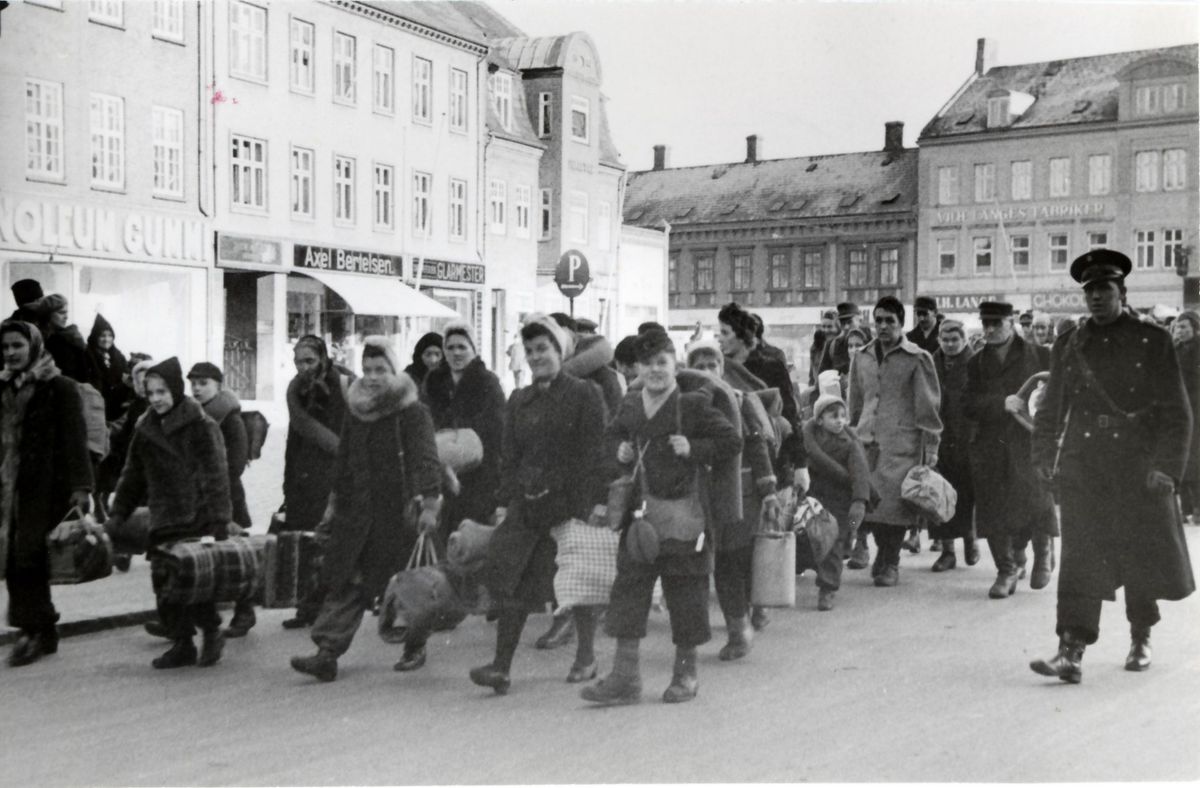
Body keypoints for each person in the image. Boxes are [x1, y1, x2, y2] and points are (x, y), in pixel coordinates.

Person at [1030, 250, 1194, 683]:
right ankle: (1072, 649)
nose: (1097, 298)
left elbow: (1178, 412)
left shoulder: (1152, 340)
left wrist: (1167, 467)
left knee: (1139, 552)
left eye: (1105, 289)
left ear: (1122, 292)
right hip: (1084, 463)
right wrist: (1043, 456)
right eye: (1090, 291)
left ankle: (1140, 635)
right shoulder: (1070, 344)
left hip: (1138, 463)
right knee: (1081, 556)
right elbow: (1051, 408)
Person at [583, 329, 740, 705]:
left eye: (662, 363)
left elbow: (731, 442)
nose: (655, 370)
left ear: (675, 365)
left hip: (685, 517)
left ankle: (686, 675)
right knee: (629, 593)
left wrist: (695, 448)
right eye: (647, 364)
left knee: (686, 595)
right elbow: (606, 444)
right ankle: (625, 678)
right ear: (637, 368)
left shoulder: (694, 406)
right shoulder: (630, 406)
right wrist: (617, 452)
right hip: (640, 520)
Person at [290, 337, 442, 682]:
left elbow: (426, 460)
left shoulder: (412, 411)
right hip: (359, 511)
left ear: (394, 369)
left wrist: (429, 503)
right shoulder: (356, 409)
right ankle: (327, 653)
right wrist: (334, 503)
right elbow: (344, 460)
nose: (372, 377)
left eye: (381, 370)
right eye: (367, 369)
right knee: (348, 582)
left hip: (400, 512)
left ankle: (414, 646)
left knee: (408, 586)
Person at [470, 315, 608, 694]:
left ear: (559, 350)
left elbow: (595, 453)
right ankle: (501, 667)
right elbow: (509, 456)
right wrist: (508, 498)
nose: (535, 357)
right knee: (512, 579)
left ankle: (586, 656)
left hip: (570, 505)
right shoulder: (519, 399)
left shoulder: (584, 394)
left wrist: (593, 502)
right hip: (528, 506)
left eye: (542, 349)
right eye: (529, 351)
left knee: (575, 581)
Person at [105, 357, 232, 669]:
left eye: (162, 391)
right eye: (150, 393)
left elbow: (217, 475)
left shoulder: (201, 425)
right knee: (164, 582)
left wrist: (220, 520)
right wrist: (118, 513)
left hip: (195, 515)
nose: (156, 398)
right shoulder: (145, 427)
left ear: (175, 389)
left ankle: (212, 630)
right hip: (163, 516)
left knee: (195, 582)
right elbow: (132, 474)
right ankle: (182, 643)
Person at [1, 320, 92, 667]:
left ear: (34, 347)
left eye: (17, 346)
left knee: (31, 557)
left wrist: (81, 488)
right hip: (8, 489)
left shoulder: (61, 387)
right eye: (5, 347)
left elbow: (75, 440)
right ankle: (43, 628)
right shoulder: (4, 388)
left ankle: (32, 631)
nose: (10, 353)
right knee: (12, 559)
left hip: (45, 489)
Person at [686, 340, 776, 656]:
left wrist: (768, 490)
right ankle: (739, 628)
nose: (708, 372)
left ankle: (753, 609)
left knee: (740, 558)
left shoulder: (739, 400)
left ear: (723, 369)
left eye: (713, 366)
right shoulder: (687, 404)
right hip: (704, 494)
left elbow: (758, 444)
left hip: (743, 493)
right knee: (724, 562)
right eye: (700, 367)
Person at [846, 296, 942, 586]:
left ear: (902, 324)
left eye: (890, 321)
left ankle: (891, 562)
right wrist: (850, 435)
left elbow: (928, 407)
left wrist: (931, 448)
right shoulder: (862, 356)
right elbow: (855, 400)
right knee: (871, 505)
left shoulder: (917, 358)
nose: (883, 326)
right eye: (879, 320)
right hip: (866, 441)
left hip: (902, 444)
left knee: (896, 508)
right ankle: (880, 555)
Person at [964, 302, 1055, 598]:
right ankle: (1006, 570)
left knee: (1036, 500)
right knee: (993, 508)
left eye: (996, 323)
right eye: (985, 323)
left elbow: (1057, 394)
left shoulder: (1040, 355)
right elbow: (967, 404)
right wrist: (1000, 403)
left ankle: (1042, 553)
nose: (989, 329)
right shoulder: (975, 363)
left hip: (1028, 442)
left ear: (1011, 321)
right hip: (990, 444)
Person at [279, 336, 352, 629]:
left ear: (322, 358)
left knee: (329, 544)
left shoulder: (343, 385)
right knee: (305, 544)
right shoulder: (296, 391)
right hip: (303, 477)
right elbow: (294, 438)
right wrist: (288, 481)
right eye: (298, 361)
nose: (304, 367)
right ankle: (307, 606)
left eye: (309, 360)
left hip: (336, 475)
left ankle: (328, 606)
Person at [420, 322, 504, 552]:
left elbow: (496, 430)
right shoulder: (434, 381)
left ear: (473, 350)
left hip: (479, 477)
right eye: (450, 347)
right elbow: (424, 422)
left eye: (462, 347)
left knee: (469, 543)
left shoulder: (487, 382)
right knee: (441, 539)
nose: (456, 353)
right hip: (440, 476)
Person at [186, 362, 255, 637]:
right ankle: (188, 620)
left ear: (218, 385)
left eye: (203, 383)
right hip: (199, 500)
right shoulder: (194, 416)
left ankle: (245, 611)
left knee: (234, 559)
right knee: (205, 561)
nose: (197, 388)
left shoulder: (230, 418)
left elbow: (236, 464)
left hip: (227, 499)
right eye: (193, 383)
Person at [801, 394, 871, 611]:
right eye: (833, 416)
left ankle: (827, 588)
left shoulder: (850, 445)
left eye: (843, 416)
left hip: (842, 501)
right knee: (815, 539)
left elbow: (860, 474)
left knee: (836, 541)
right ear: (819, 420)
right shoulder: (807, 440)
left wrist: (859, 500)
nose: (840, 420)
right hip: (815, 499)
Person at [928, 320, 979, 570]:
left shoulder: (975, 362)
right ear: (939, 339)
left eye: (954, 340)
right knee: (939, 494)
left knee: (966, 493)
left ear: (964, 340)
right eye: (945, 340)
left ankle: (970, 539)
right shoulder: (930, 362)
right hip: (938, 437)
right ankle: (947, 551)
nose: (949, 345)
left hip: (966, 437)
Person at [30, 294, 97, 387]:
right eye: (61, 313)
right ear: (48, 314)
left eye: (66, 313)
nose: (66, 317)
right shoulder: (36, 337)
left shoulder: (68, 339)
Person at [1171, 311, 1199, 524]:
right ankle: (1186, 507)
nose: (1180, 331)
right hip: (1181, 408)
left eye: (1184, 327)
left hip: (1196, 409)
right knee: (1183, 458)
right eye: (1178, 327)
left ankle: (1197, 507)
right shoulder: (1175, 349)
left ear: (1195, 329)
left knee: (1195, 460)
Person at [85, 314, 130, 423]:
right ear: (95, 337)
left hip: (119, 407)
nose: (106, 339)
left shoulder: (117, 355)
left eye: (110, 335)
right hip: (97, 408)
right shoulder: (87, 355)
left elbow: (126, 378)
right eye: (102, 336)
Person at [819, 303, 873, 377]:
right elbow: (822, 377)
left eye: (849, 322)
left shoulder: (872, 344)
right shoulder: (832, 345)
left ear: (860, 320)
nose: (846, 327)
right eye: (842, 323)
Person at [809, 310, 839, 387]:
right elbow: (812, 376)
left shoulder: (842, 348)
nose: (826, 330)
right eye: (823, 327)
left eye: (830, 326)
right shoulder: (815, 348)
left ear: (838, 329)